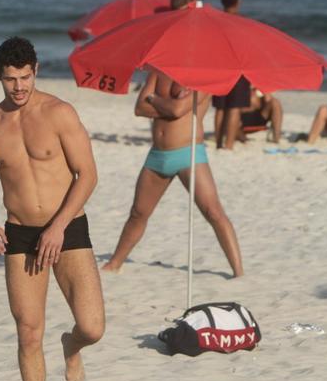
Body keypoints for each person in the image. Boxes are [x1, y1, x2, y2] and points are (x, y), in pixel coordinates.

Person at [0, 37, 105, 381]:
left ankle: (72, 346)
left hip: (68, 227)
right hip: (21, 234)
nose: (19, 87)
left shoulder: (60, 113)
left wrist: (59, 225)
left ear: (36, 70)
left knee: (93, 327)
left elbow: (88, 175)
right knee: (28, 332)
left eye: (25, 77)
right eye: (10, 79)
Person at [101, 70, 244, 277]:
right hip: (158, 155)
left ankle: (238, 271)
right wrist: (159, 103)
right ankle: (114, 263)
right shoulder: (158, 72)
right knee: (138, 213)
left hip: (189, 154)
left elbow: (178, 110)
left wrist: (153, 99)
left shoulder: (203, 77)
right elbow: (140, 108)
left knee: (213, 212)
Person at [212, 0, 251, 150]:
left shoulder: (215, 21)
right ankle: (229, 145)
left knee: (220, 108)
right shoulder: (243, 23)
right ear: (238, 2)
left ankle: (219, 143)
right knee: (234, 108)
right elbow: (248, 48)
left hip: (220, 68)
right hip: (238, 68)